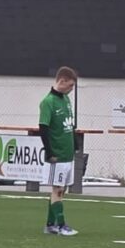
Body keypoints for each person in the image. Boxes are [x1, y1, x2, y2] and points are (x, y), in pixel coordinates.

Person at [38, 66, 79, 236]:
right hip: (57, 154)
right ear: (61, 81)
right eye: (70, 86)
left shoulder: (66, 100)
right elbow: (43, 128)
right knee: (58, 189)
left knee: (62, 190)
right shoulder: (48, 102)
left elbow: (70, 124)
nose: (71, 90)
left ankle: (50, 224)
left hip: (67, 153)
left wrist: (75, 143)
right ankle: (61, 225)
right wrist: (49, 152)